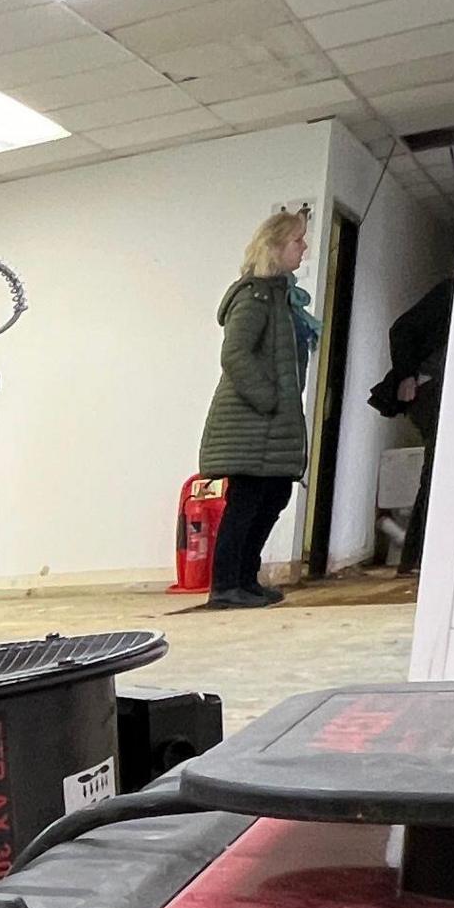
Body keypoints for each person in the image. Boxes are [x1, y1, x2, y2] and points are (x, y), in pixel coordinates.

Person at [197, 205, 315, 610]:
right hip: (251, 422)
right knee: (247, 503)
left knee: (273, 497)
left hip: (270, 424)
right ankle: (226, 586)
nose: (304, 248)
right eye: (298, 241)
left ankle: (246, 580)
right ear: (276, 245)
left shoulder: (279, 298)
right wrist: (270, 399)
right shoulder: (254, 297)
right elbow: (235, 356)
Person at [368, 278, 451, 575]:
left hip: (434, 391)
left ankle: (416, 559)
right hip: (432, 390)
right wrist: (406, 376)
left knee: (437, 474)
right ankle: (417, 559)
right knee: (438, 474)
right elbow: (402, 329)